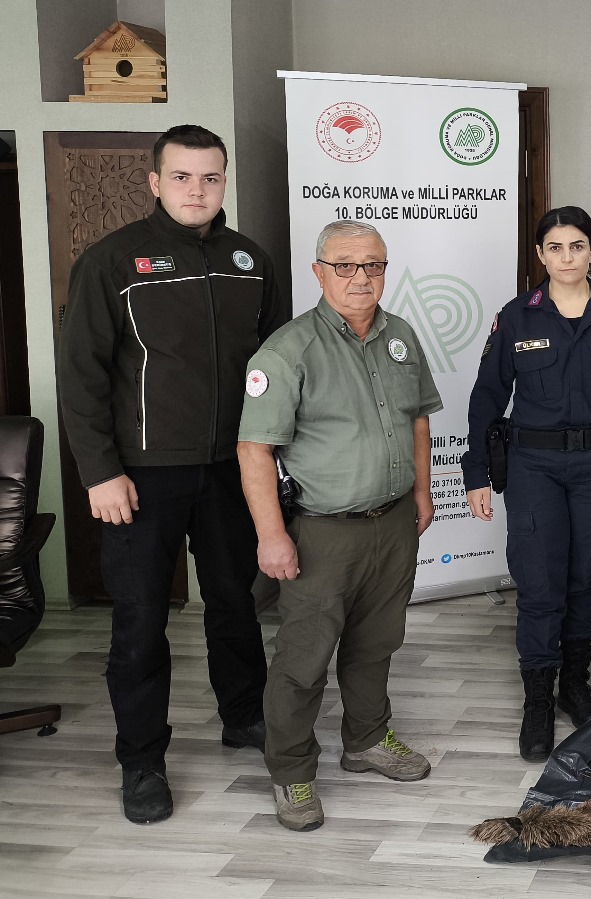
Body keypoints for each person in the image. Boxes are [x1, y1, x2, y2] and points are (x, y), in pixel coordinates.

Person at [57, 124, 287, 825]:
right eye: (182, 177)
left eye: (210, 177)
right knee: (140, 623)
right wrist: (99, 473)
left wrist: (273, 456)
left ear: (224, 181)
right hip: (141, 479)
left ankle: (244, 716)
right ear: (154, 181)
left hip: (231, 470)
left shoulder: (250, 258)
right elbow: (81, 377)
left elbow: (276, 366)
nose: (197, 190)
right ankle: (142, 759)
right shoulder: (112, 261)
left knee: (234, 605)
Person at [235, 220, 441, 832]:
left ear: (386, 269)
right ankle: (293, 774)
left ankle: (367, 741)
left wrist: (423, 492)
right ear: (319, 271)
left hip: (394, 521)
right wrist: (272, 536)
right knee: (303, 660)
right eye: (345, 265)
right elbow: (255, 450)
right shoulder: (286, 351)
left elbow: (418, 420)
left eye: (372, 265)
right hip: (321, 532)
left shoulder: (400, 335)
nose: (361, 277)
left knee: (377, 643)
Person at [462, 205, 591, 763]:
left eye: (577, 246)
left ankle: (575, 683)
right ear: (540, 255)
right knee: (540, 584)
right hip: (534, 467)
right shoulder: (517, 317)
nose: (566, 257)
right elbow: (486, 398)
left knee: (584, 578)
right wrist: (476, 471)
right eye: (555, 247)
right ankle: (538, 702)